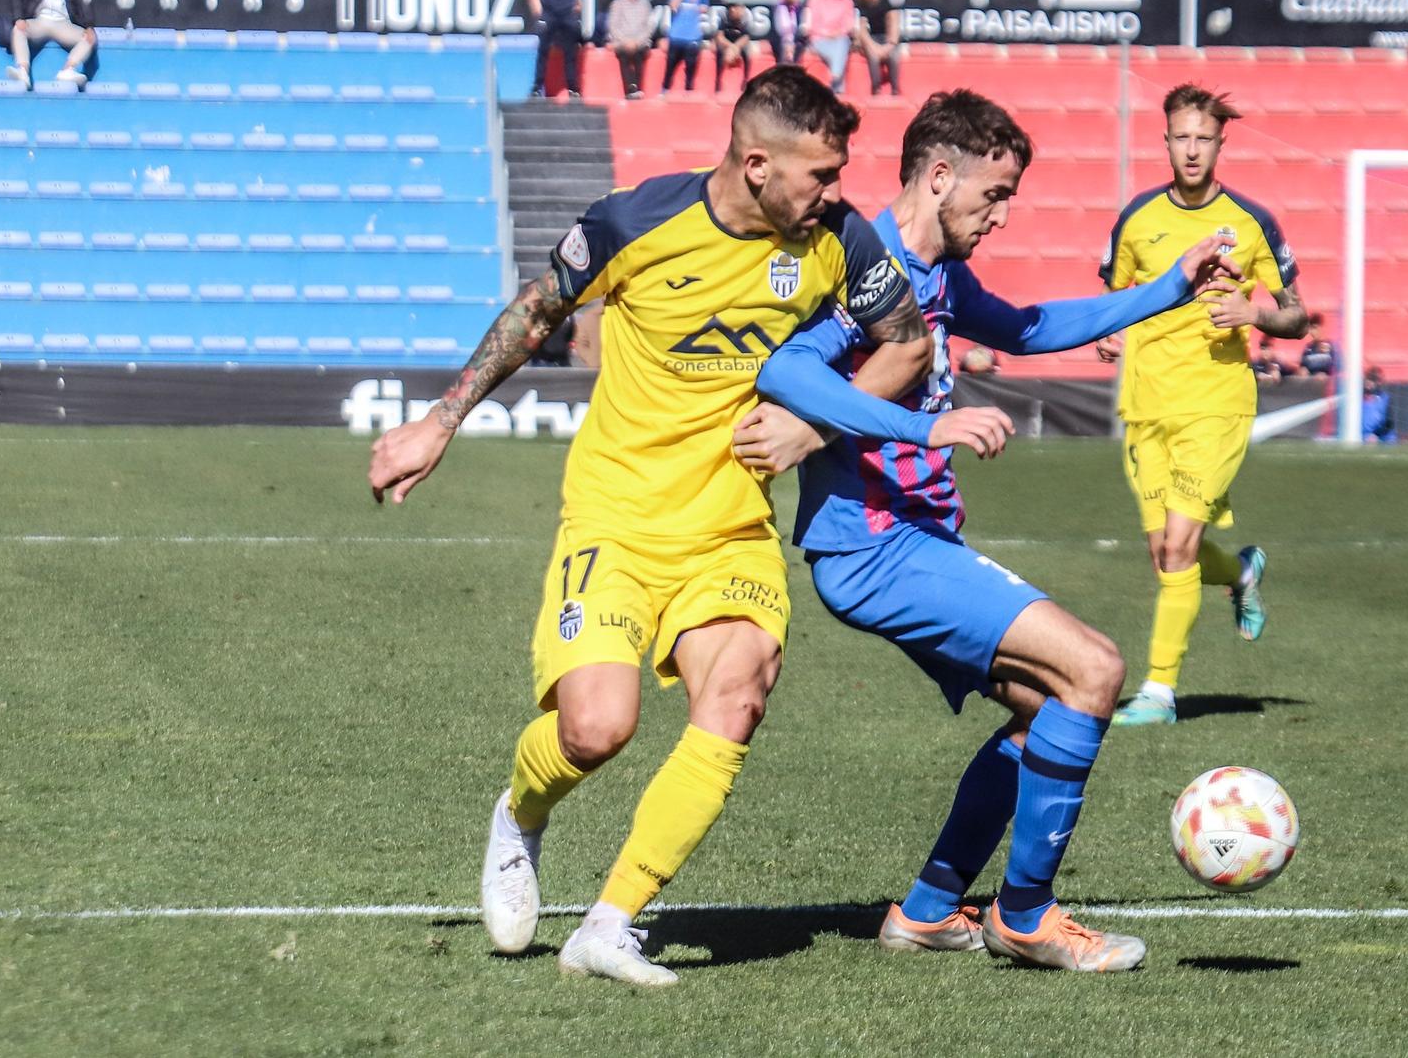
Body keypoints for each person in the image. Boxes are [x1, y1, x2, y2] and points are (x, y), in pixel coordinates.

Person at [365, 67, 1010, 990]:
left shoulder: (838, 238)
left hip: (730, 527)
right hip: (617, 519)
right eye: (819, 175)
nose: (835, 192)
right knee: (595, 728)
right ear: (755, 164)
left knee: (740, 687)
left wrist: (814, 423)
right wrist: (440, 419)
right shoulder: (635, 222)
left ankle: (610, 920)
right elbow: (537, 308)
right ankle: (520, 812)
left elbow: (908, 344)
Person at [738, 90, 1239, 972]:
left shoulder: (940, 275)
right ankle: (1026, 914)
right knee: (1095, 667)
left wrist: (1169, 288)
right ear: (939, 177)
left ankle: (931, 909)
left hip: (913, 540)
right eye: (993, 195)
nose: (1003, 215)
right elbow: (790, 367)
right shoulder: (871, 263)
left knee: (1050, 708)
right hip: (873, 542)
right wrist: (927, 427)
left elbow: (1029, 328)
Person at [1096, 85, 1305, 728]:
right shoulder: (1136, 218)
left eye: (1203, 138)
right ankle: (1240, 573)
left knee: (1181, 544)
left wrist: (1257, 313)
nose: (1191, 149)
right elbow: (1113, 295)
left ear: (1221, 143)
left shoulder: (1251, 222)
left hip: (1217, 403)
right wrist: (1107, 329)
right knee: (1167, 552)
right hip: (1146, 405)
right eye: (1181, 137)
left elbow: (1297, 315)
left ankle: (1159, 691)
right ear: (1165, 141)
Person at [6, 0, 97, 91]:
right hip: (41, 21)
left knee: (89, 38)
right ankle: (22, 70)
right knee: (18, 29)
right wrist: (18, 18)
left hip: (63, 23)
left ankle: (68, 69)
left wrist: (89, 26)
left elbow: (84, 5)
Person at [602, 0, 655, 100]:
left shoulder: (645, 4)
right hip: (622, 42)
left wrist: (637, 41)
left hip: (640, 42)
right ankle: (630, 89)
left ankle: (638, 87)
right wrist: (625, 41)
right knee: (624, 56)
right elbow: (613, 26)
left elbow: (649, 26)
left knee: (638, 55)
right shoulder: (617, 4)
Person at [661, 0, 711, 93]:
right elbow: (673, 6)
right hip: (676, 35)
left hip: (693, 35)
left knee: (691, 66)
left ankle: (688, 92)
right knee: (670, 66)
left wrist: (700, 9)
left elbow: (705, 6)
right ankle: (665, 89)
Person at [853, 0, 903, 97]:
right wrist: (874, 47)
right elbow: (862, 29)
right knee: (873, 57)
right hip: (873, 38)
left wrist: (890, 45)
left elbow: (894, 23)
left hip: (887, 38)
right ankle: (876, 89)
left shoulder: (887, 0)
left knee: (894, 56)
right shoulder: (862, 3)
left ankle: (895, 89)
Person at [807, 0, 857, 94]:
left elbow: (848, 23)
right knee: (839, 51)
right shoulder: (815, 0)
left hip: (839, 38)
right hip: (820, 39)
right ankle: (837, 82)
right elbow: (812, 25)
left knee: (842, 43)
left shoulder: (846, 0)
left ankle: (836, 80)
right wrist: (827, 33)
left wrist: (837, 33)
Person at [712, 3, 758, 94]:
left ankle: (745, 79)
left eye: (736, 7)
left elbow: (746, 37)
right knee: (719, 52)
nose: (733, 10)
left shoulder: (747, 16)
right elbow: (719, 36)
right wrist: (730, 47)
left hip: (741, 39)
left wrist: (736, 47)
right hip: (727, 39)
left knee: (748, 53)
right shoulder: (723, 14)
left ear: (742, 8)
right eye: (731, 7)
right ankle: (718, 81)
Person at [770, 0, 808, 67]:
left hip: (797, 43)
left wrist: (793, 44)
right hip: (781, 44)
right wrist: (786, 45)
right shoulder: (777, 8)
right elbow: (774, 32)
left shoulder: (801, 9)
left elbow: (803, 30)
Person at [1360, 367, 1397, 444]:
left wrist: (1375, 435)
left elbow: (1389, 423)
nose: (1369, 382)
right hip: (1362, 436)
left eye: (1374, 380)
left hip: (1382, 437)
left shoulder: (1385, 398)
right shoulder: (1355, 397)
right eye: (1368, 379)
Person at [1297, 313, 1336, 379]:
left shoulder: (1331, 347)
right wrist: (1302, 371)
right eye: (1310, 329)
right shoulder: (1308, 348)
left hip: (1326, 387)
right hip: (1312, 386)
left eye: (1314, 328)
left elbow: (1336, 369)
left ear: (1322, 327)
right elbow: (1302, 368)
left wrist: (1326, 376)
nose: (1312, 332)